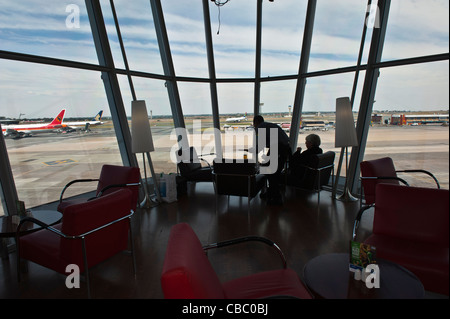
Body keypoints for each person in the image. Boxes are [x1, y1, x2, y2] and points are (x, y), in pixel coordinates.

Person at [252, 115, 291, 205]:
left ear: (255, 123)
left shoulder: (260, 127)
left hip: (277, 148)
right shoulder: (270, 125)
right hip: (284, 148)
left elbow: (260, 144)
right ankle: (271, 193)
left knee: (270, 172)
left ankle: (276, 198)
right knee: (273, 172)